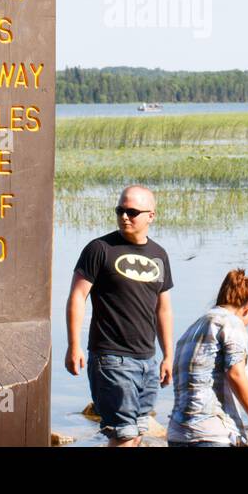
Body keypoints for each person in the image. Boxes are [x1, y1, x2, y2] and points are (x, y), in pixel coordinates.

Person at [64, 185, 174, 447]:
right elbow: (77, 297)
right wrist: (74, 345)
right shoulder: (100, 249)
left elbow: (163, 308)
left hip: (147, 360)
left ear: (151, 215)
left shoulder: (159, 255)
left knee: (136, 432)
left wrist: (168, 355)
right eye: (120, 210)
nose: (125, 217)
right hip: (111, 358)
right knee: (124, 435)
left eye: (132, 212)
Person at [167, 268, 248, 448]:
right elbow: (236, 374)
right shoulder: (231, 323)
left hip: (178, 434)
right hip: (213, 433)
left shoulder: (191, 330)